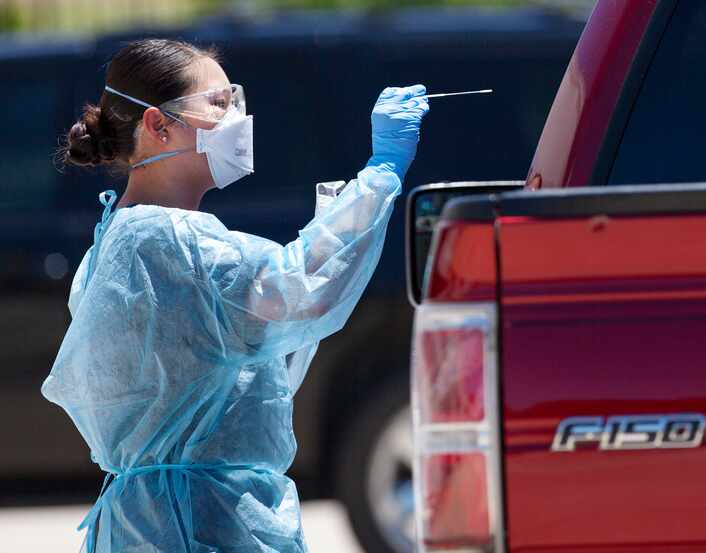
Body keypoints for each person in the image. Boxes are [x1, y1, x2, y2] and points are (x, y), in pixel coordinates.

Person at [41, 38, 429, 553]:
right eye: (220, 105)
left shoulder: (122, 240)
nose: (238, 119)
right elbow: (295, 290)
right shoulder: (164, 240)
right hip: (198, 523)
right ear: (158, 126)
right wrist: (378, 178)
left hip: (172, 521)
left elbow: (256, 351)